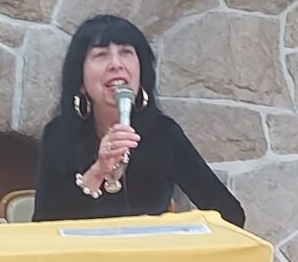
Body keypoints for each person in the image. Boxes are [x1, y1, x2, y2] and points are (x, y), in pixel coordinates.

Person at [32, 14, 245, 227]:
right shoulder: (59, 135)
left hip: (151, 258)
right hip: (83, 258)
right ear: (80, 80)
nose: (116, 64)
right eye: (101, 55)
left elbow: (230, 215)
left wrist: (171, 231)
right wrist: (97, 172)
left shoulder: (163, 133)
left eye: (126, 52)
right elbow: (44, 227)